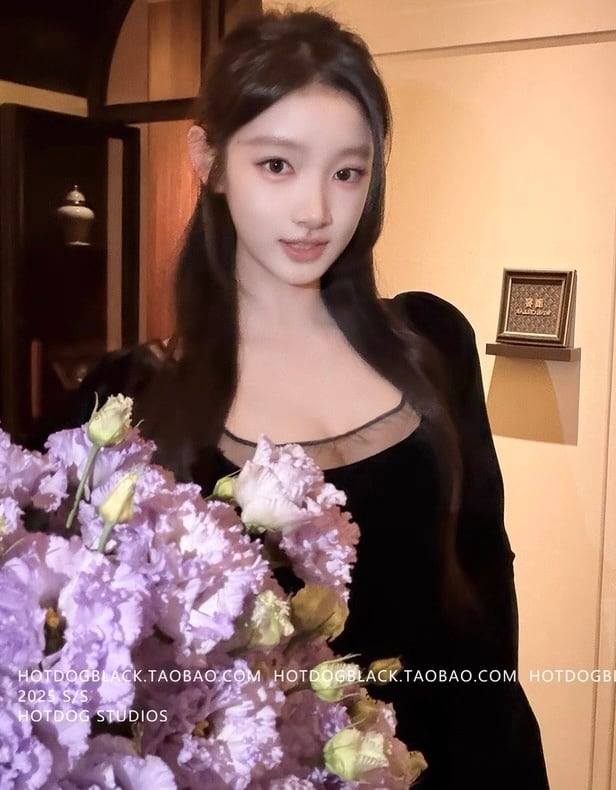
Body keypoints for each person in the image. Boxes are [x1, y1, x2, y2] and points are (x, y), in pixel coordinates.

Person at [58, 9, 549, 787]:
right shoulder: (134, 401)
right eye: (278, 165)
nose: (316, 209)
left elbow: (486, 596)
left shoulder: (434, 343)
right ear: (210, 160)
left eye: (346, 172)